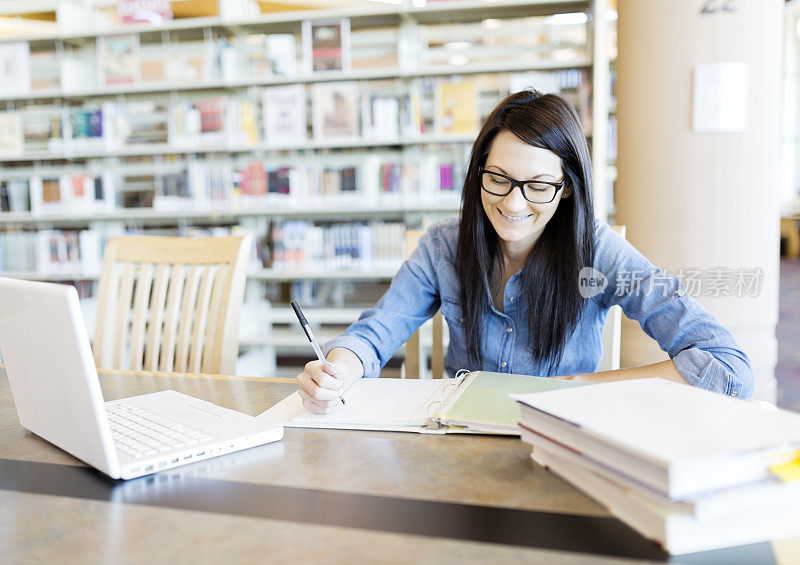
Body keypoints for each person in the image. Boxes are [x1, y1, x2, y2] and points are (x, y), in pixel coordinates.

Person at [296, 90, 754, 414]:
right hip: (459, 445)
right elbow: (375, 333)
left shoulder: (600, 253)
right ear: (478, 172)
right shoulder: (442, 246)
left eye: (536, 186)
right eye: (497, 179)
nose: (512, 204)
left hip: (562, 441)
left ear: (568, 188)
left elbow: (727, 365)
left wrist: (575, 388)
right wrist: (335, 372)